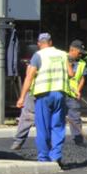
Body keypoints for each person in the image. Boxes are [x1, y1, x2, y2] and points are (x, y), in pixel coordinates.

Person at [16, 33, 73, 164]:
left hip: (43, 95)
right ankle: (56, 156)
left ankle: (43, 157)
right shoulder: (62, 54)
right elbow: (70, 73)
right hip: (59, 94)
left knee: (43, 127)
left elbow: (29, 77)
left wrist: (22, 97)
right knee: (58, 125)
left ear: (39, 43)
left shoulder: (38, 56)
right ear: (50, 42)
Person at [66, 40, 87, 146]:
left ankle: (78, 139)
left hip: (73, 95)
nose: (80, 55)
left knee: (75, 116)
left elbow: (82, 78)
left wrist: (78, 90)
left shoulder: (82, 63)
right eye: (79, 53)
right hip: (61, 92)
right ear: (72, 50)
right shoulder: (62, 59)